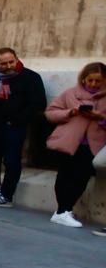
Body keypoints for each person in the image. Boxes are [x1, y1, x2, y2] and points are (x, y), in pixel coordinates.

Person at [0, 47, 47, 207]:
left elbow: (37, 104)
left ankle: (6, 194)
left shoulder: (30, 77)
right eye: (3, 63)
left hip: (14, 126)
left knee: (12, 161)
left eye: (11, 61)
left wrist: (17, 120)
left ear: (17, 59)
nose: (8, 66)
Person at [43, 62, 106, 229]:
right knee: (64, 175)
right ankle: (63, 210)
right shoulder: (70, 93)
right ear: (83, 79)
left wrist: (99, 117)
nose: (93, 84)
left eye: (97, 81)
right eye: (90, 80)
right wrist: (70, 112)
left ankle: (64, 210)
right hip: (69, 141)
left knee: (81, 177)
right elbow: (50, 113)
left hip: (92, 144)